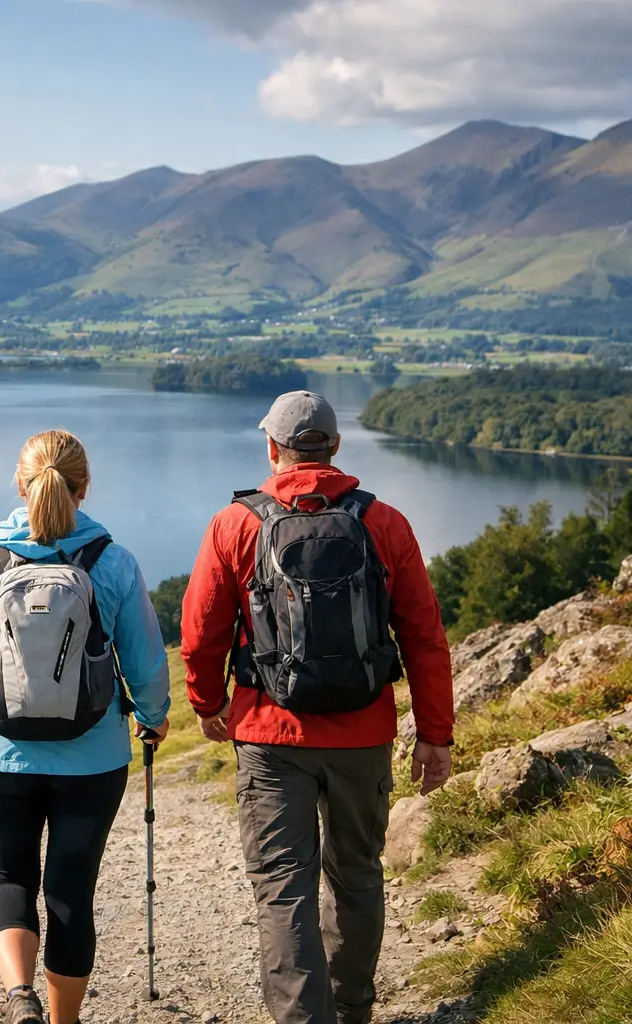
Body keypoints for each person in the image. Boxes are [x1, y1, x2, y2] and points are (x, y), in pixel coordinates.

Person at [180, 391, 454, 1024]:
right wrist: (434, 735)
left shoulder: (237, 524)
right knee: (356, 875)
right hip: (363, 734)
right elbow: (423, 636)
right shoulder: (384, 523)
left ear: (273, 449)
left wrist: (209, 703)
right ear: (334, 446)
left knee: (283, 889)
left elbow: (200, 632)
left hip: (271, 736)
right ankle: (352, 1008)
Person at [0, 429, 172, 1024]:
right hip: (94, 758)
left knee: (9, 878)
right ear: (84, 487)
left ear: (19, 482)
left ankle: (18, 996)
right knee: (71, 892)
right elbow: (147, 662)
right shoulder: (113, 561)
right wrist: (154, 720)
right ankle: (64, 1021)